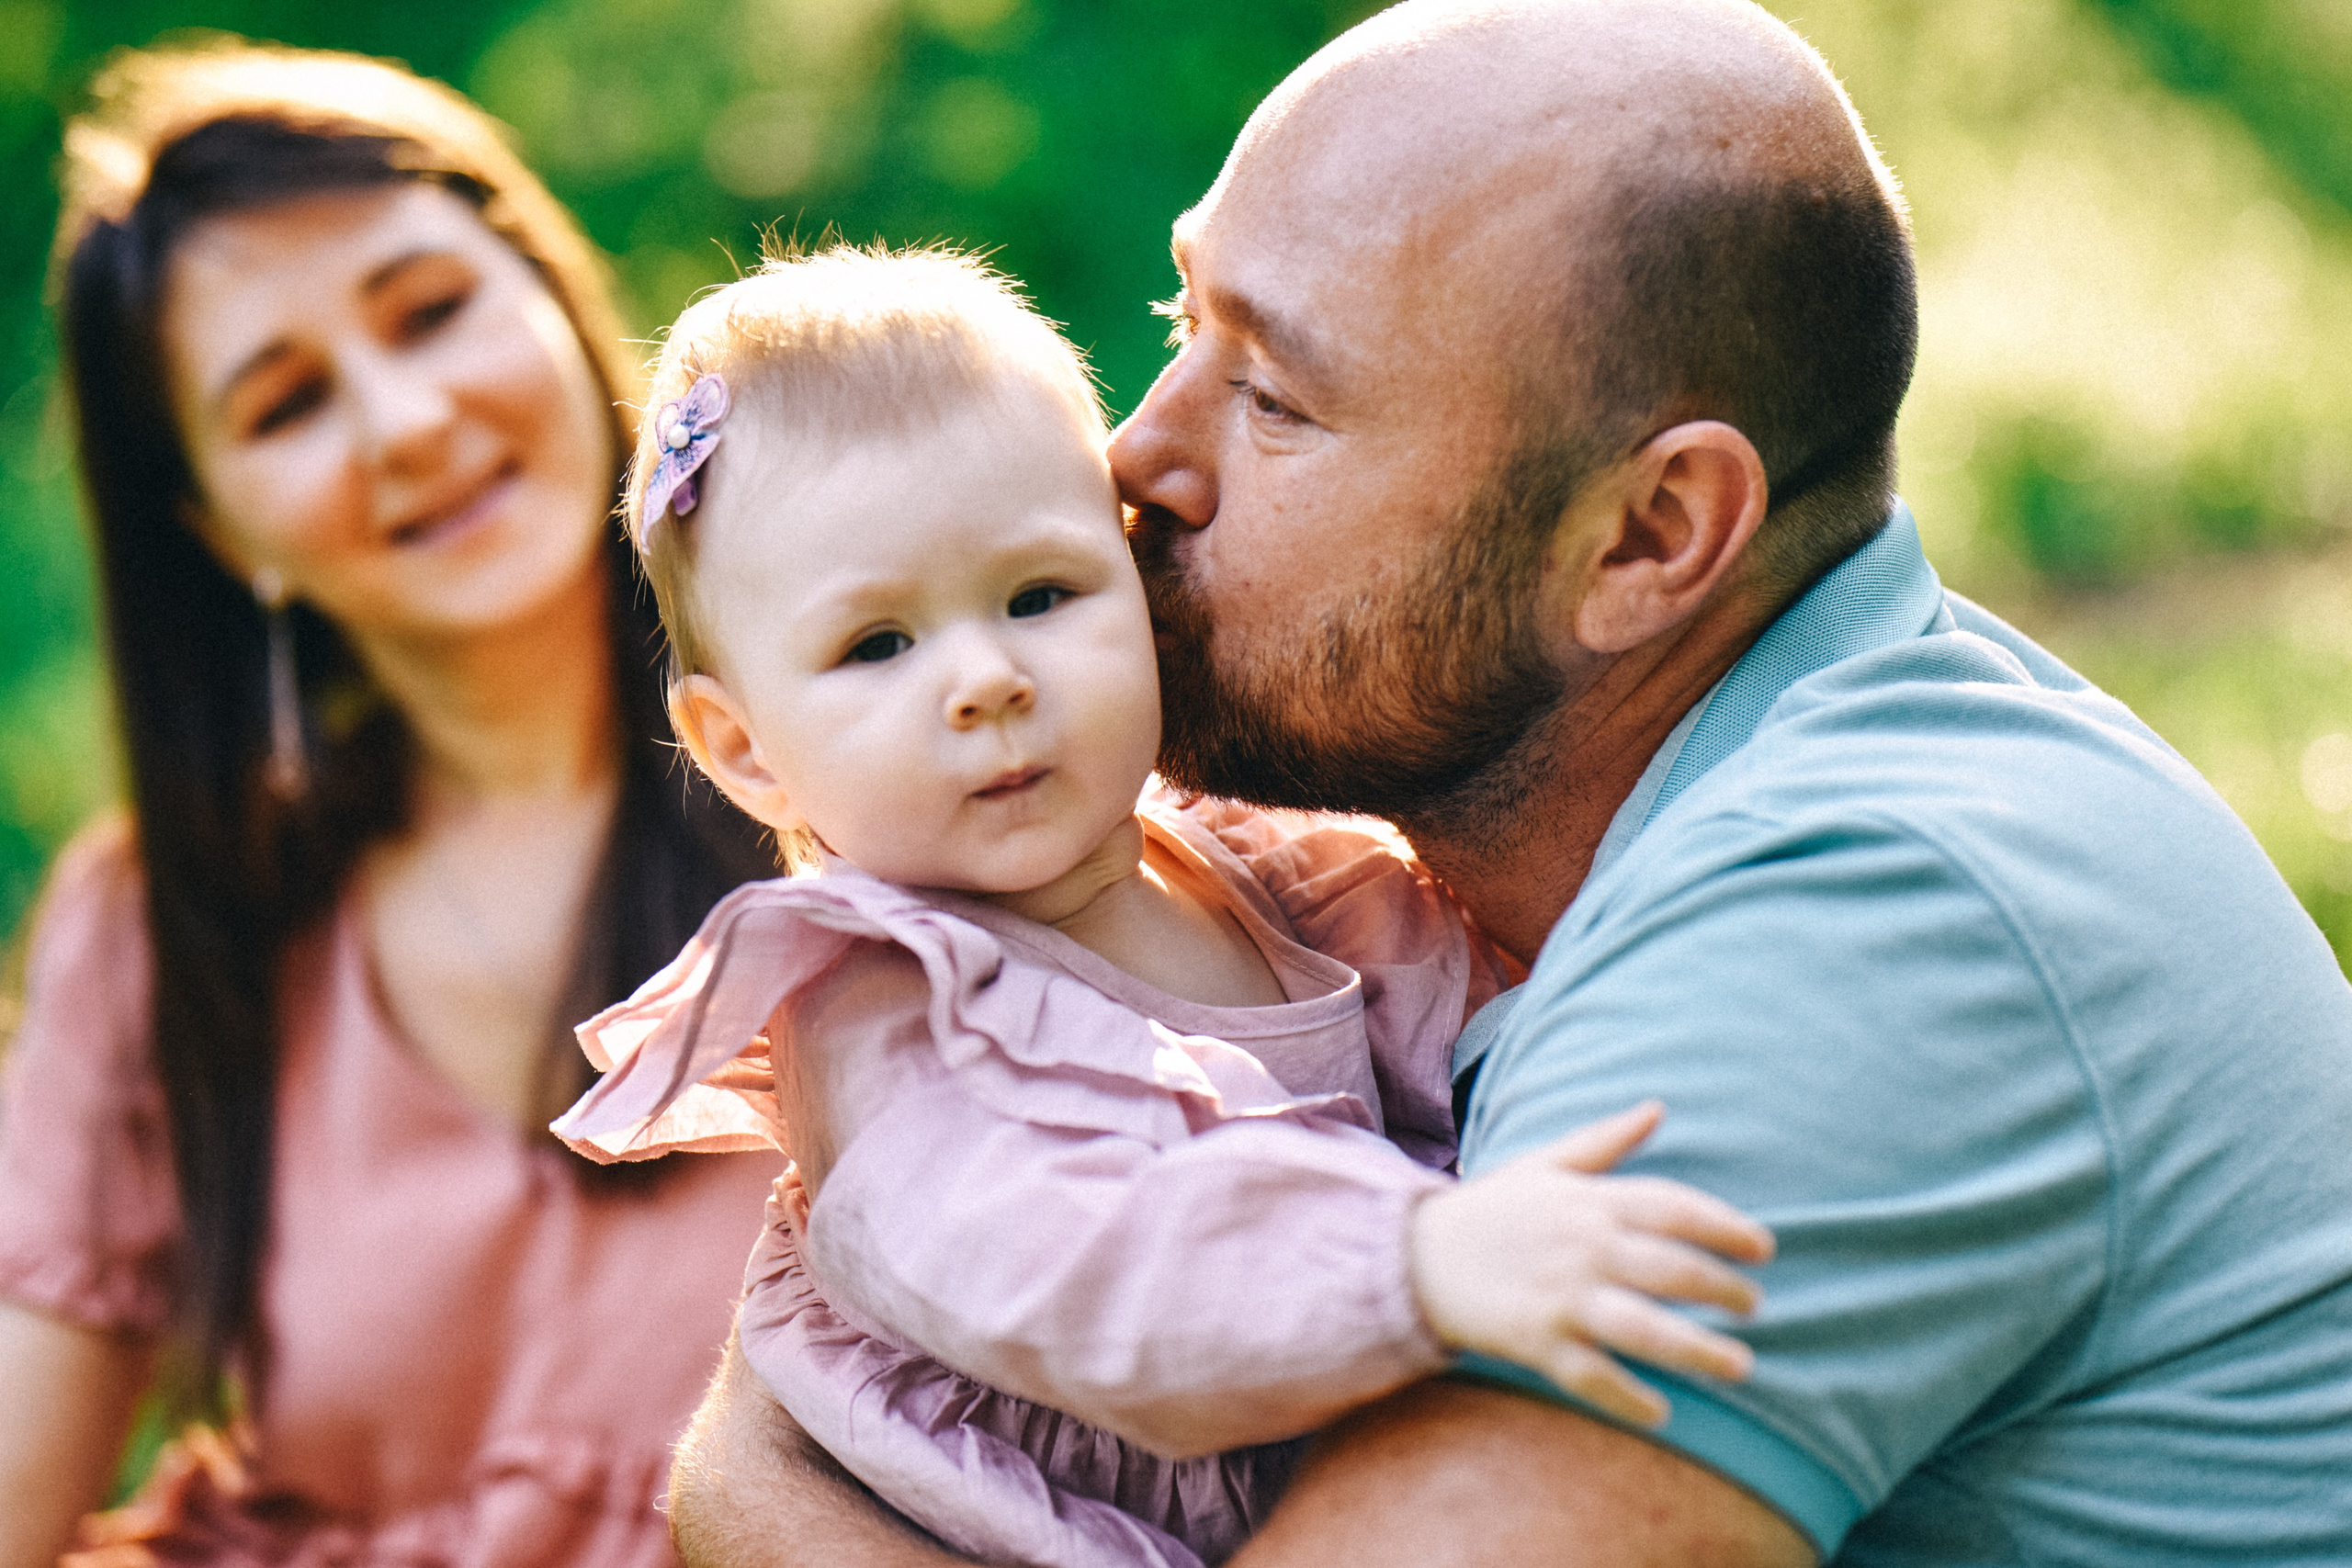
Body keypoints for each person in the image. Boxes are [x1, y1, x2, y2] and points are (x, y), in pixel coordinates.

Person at [666, 1, 2352, 1563]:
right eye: (1184, 324)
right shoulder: (1660, 816)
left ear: (1648, 537)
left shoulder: (1856, 926)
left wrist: (760, 1502)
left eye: (1276, 397)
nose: (1138, 458)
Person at [548, 243, 1773, 1568]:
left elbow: (1475, 1016)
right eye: (877, 644)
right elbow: (1075, 1265)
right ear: (744, 750)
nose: (987, 680)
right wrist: (1416, 1263)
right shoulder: (888, 1015)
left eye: (1040, 595)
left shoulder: (1268, 876)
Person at [0, 43, 781, 1566]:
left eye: (431, 312)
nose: (406, 419)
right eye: (286, 404)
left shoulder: (903, 760)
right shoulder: (173, 927)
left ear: (550, 292)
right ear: (217, 529)